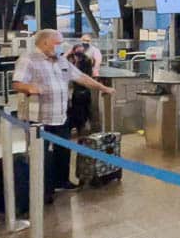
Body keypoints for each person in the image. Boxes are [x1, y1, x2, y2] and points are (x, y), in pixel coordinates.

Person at [13, 29, 114, 194]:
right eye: (57, 43)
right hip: (38, 118)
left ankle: (62, 181)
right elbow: (17, 83)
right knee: (40, 153)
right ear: (45, 42)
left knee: (63, 150)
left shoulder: (61, 61)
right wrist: (30, 87)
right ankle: (42, 186)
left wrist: (103, 87)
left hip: (60, 115)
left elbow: (81, 77)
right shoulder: (28, 58)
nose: (61, 47)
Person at [65, 43, 95, 135]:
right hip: (75, 90)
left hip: (80, 91)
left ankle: (80, 129)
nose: (80, 53)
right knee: (75, 112)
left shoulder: (85, 60)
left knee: (81, 111)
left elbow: (85, 76)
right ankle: (77, 129)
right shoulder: (71, 59)